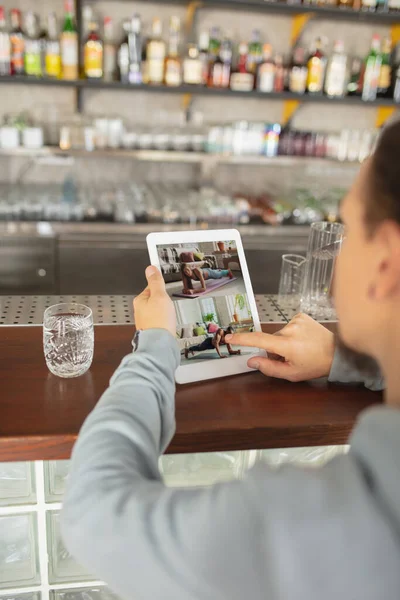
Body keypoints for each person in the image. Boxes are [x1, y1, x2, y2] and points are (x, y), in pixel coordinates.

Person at [61, 122, 400, 600]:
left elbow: (92, 514)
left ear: (385, 261)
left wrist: (156, 342)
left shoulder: (319, 522)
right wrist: (345, 359)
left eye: (346, 230)